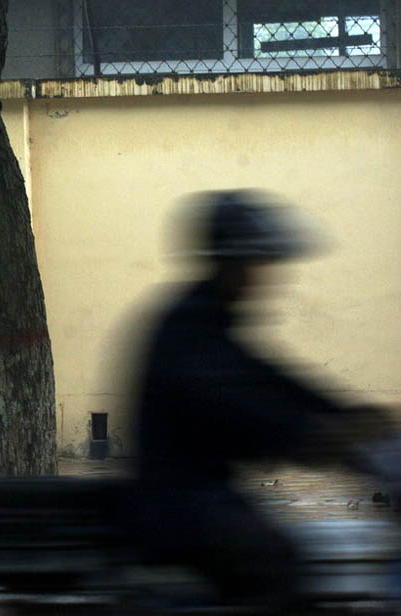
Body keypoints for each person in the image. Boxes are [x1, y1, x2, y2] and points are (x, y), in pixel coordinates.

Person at [121, 190, 396, 607]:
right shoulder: (190, 332)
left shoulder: (209, 321)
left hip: (198, 497)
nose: (263, 276)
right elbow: (245, 408)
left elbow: (274, 382)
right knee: (278, 560)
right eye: (255, 263)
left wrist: (350, 416)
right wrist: (317, 436)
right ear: (230, 263)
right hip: (179, 506)